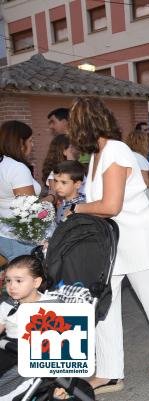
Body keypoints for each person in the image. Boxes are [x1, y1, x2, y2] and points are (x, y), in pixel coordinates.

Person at [67, 97, 149, 392]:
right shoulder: (97, 155)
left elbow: (111, 205)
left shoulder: (115, 150)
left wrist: (75, 210)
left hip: (136, 239)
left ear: (84, 125)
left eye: (73, 124)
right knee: (105, 304)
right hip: (110, 243)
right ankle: (109, 371)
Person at [0, 255, 55, 376]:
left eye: (18, 280)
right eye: (8, 280)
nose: (12, 286)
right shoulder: (7, 305)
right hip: (9, 349)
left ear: (36, 282)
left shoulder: (51, 306)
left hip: (33, 358)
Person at [0, 121, 41, 261]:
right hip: (21, 240)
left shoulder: (4, 165)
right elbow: (28, 212)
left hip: (5, 236)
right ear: (20, 142)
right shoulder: (16, 168)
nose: (32, 145)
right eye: (30, 140)